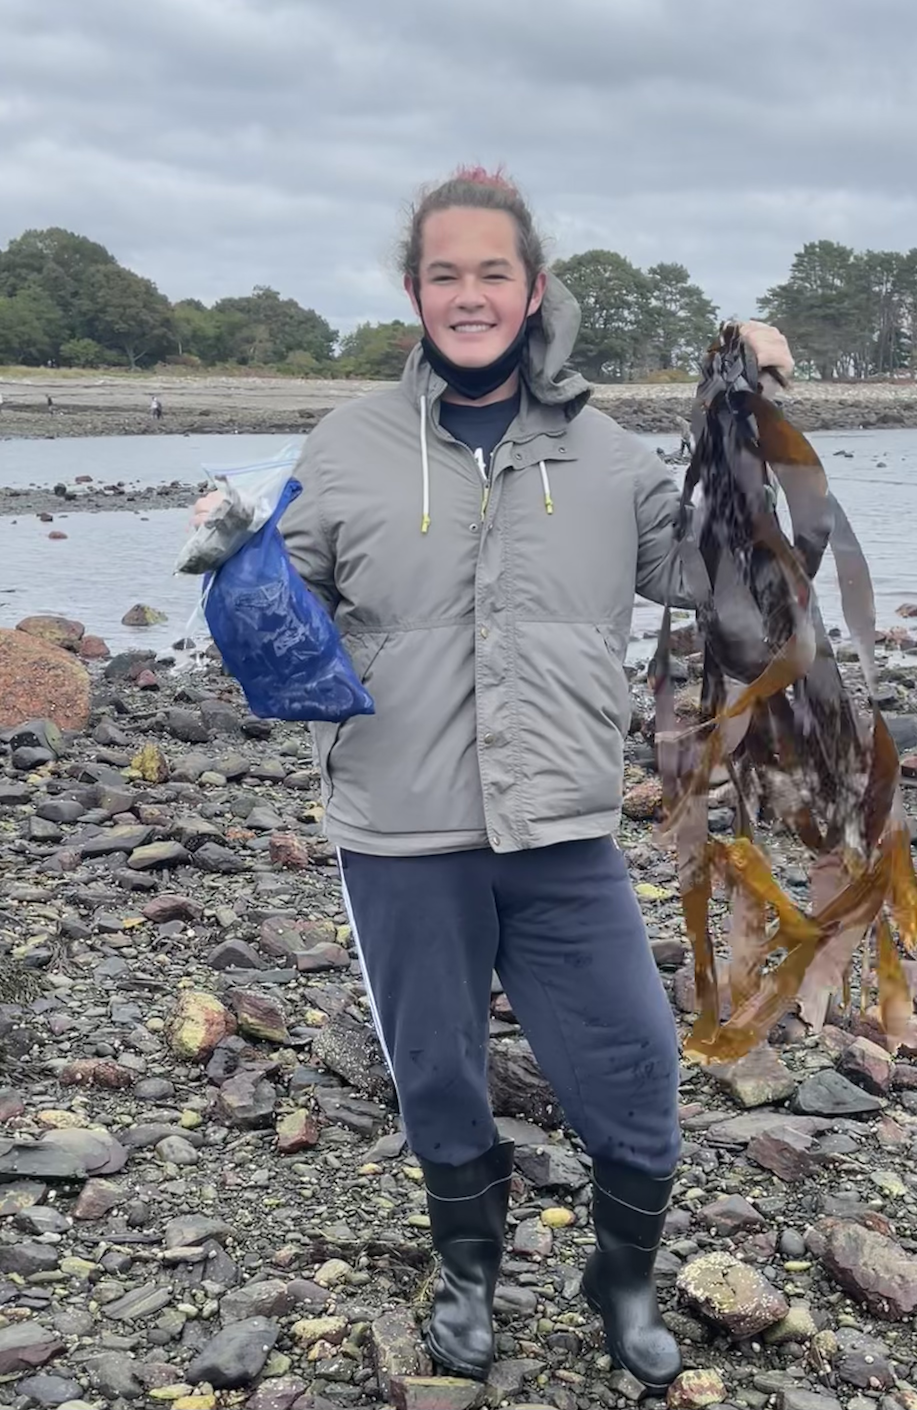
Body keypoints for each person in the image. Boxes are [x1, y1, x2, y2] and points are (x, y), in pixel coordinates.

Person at [191, 166, 792, 1389]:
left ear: (532, 291)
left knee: (630, 1069)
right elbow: (283, 606)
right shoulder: (349, 442)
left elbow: (719, 587)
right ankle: (467, 1271)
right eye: (444, 274)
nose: (469, 295)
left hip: (560, 828)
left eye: (492, 273)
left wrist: (749, 424)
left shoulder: (606, 450)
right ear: (412, 290)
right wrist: (232, 557)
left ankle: (617, 1280)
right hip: (398, 829)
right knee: (438, 1072)